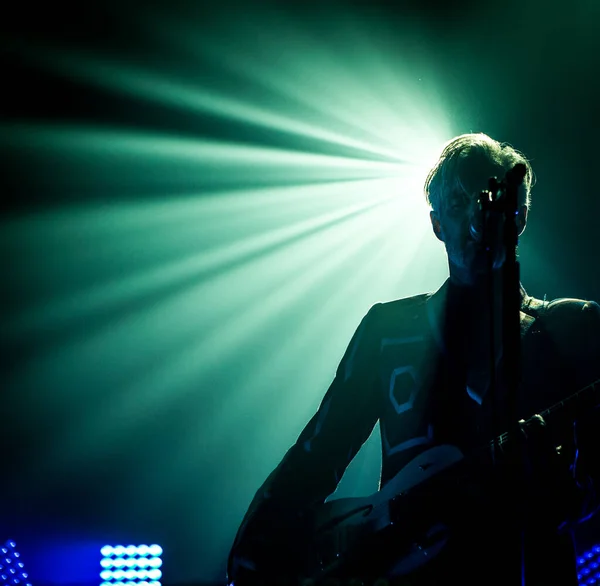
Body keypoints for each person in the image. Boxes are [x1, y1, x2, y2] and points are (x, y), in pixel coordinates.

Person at [227, 133, 600, 586]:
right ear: (437, 223)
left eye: (491, 204)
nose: (475, 223)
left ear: (519, 218)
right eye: (459, 206)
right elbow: (319, 452)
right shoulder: (388, 330)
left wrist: (564, 491)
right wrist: (256, 544)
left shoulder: (571, 328)